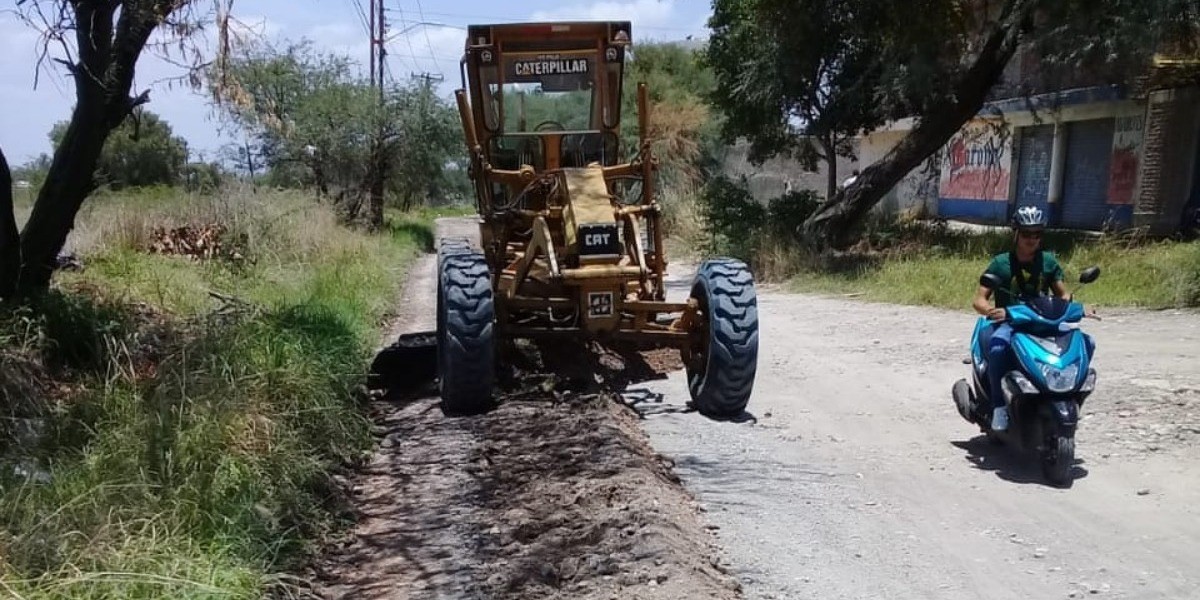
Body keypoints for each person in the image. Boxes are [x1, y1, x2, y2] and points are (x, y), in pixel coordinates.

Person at [970, 205, 1095, 431]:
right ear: (1016, 233)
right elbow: (979, 299)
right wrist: (991, 311)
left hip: (1043, 321)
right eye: (1027, 234)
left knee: (1086, 342)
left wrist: (1077, 306)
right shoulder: (1001, 263)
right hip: (1011, 322)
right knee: (998, 349)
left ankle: (1072, 397)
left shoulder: (1047, 262)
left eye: (1037, 234)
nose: (1032, 239)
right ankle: (999, 406)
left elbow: (1062, 294)